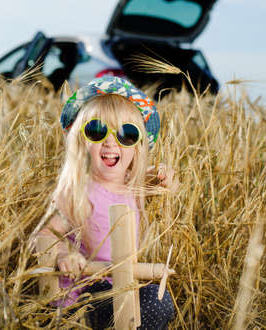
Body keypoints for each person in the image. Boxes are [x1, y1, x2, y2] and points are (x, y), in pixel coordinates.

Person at [38, 76, 176, 329]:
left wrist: (162, 176)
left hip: (122, 286)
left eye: (126, 134)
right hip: (85, 297)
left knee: (158, 299)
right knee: (152, 302)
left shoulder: (130, 187)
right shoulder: (79, 191)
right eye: (97, 131)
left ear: (138, 148)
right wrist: (63, 254)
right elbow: (46, 234)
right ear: (80, 142)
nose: (110, 142)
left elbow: (152, 181)